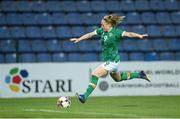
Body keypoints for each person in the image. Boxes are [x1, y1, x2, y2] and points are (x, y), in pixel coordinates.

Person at [70, 14, 150, 104]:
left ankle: (84, 96)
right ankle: (140, 74)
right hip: (113, 61)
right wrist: (79, 39)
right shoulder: (102, 31)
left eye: (103, 25)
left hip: (112, 61)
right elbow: (90, 34)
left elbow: (129, 34)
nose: (101, 26)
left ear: (109, 24)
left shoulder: (116, 32)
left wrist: (139, 36)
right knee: (118, 78)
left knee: (95, 73)